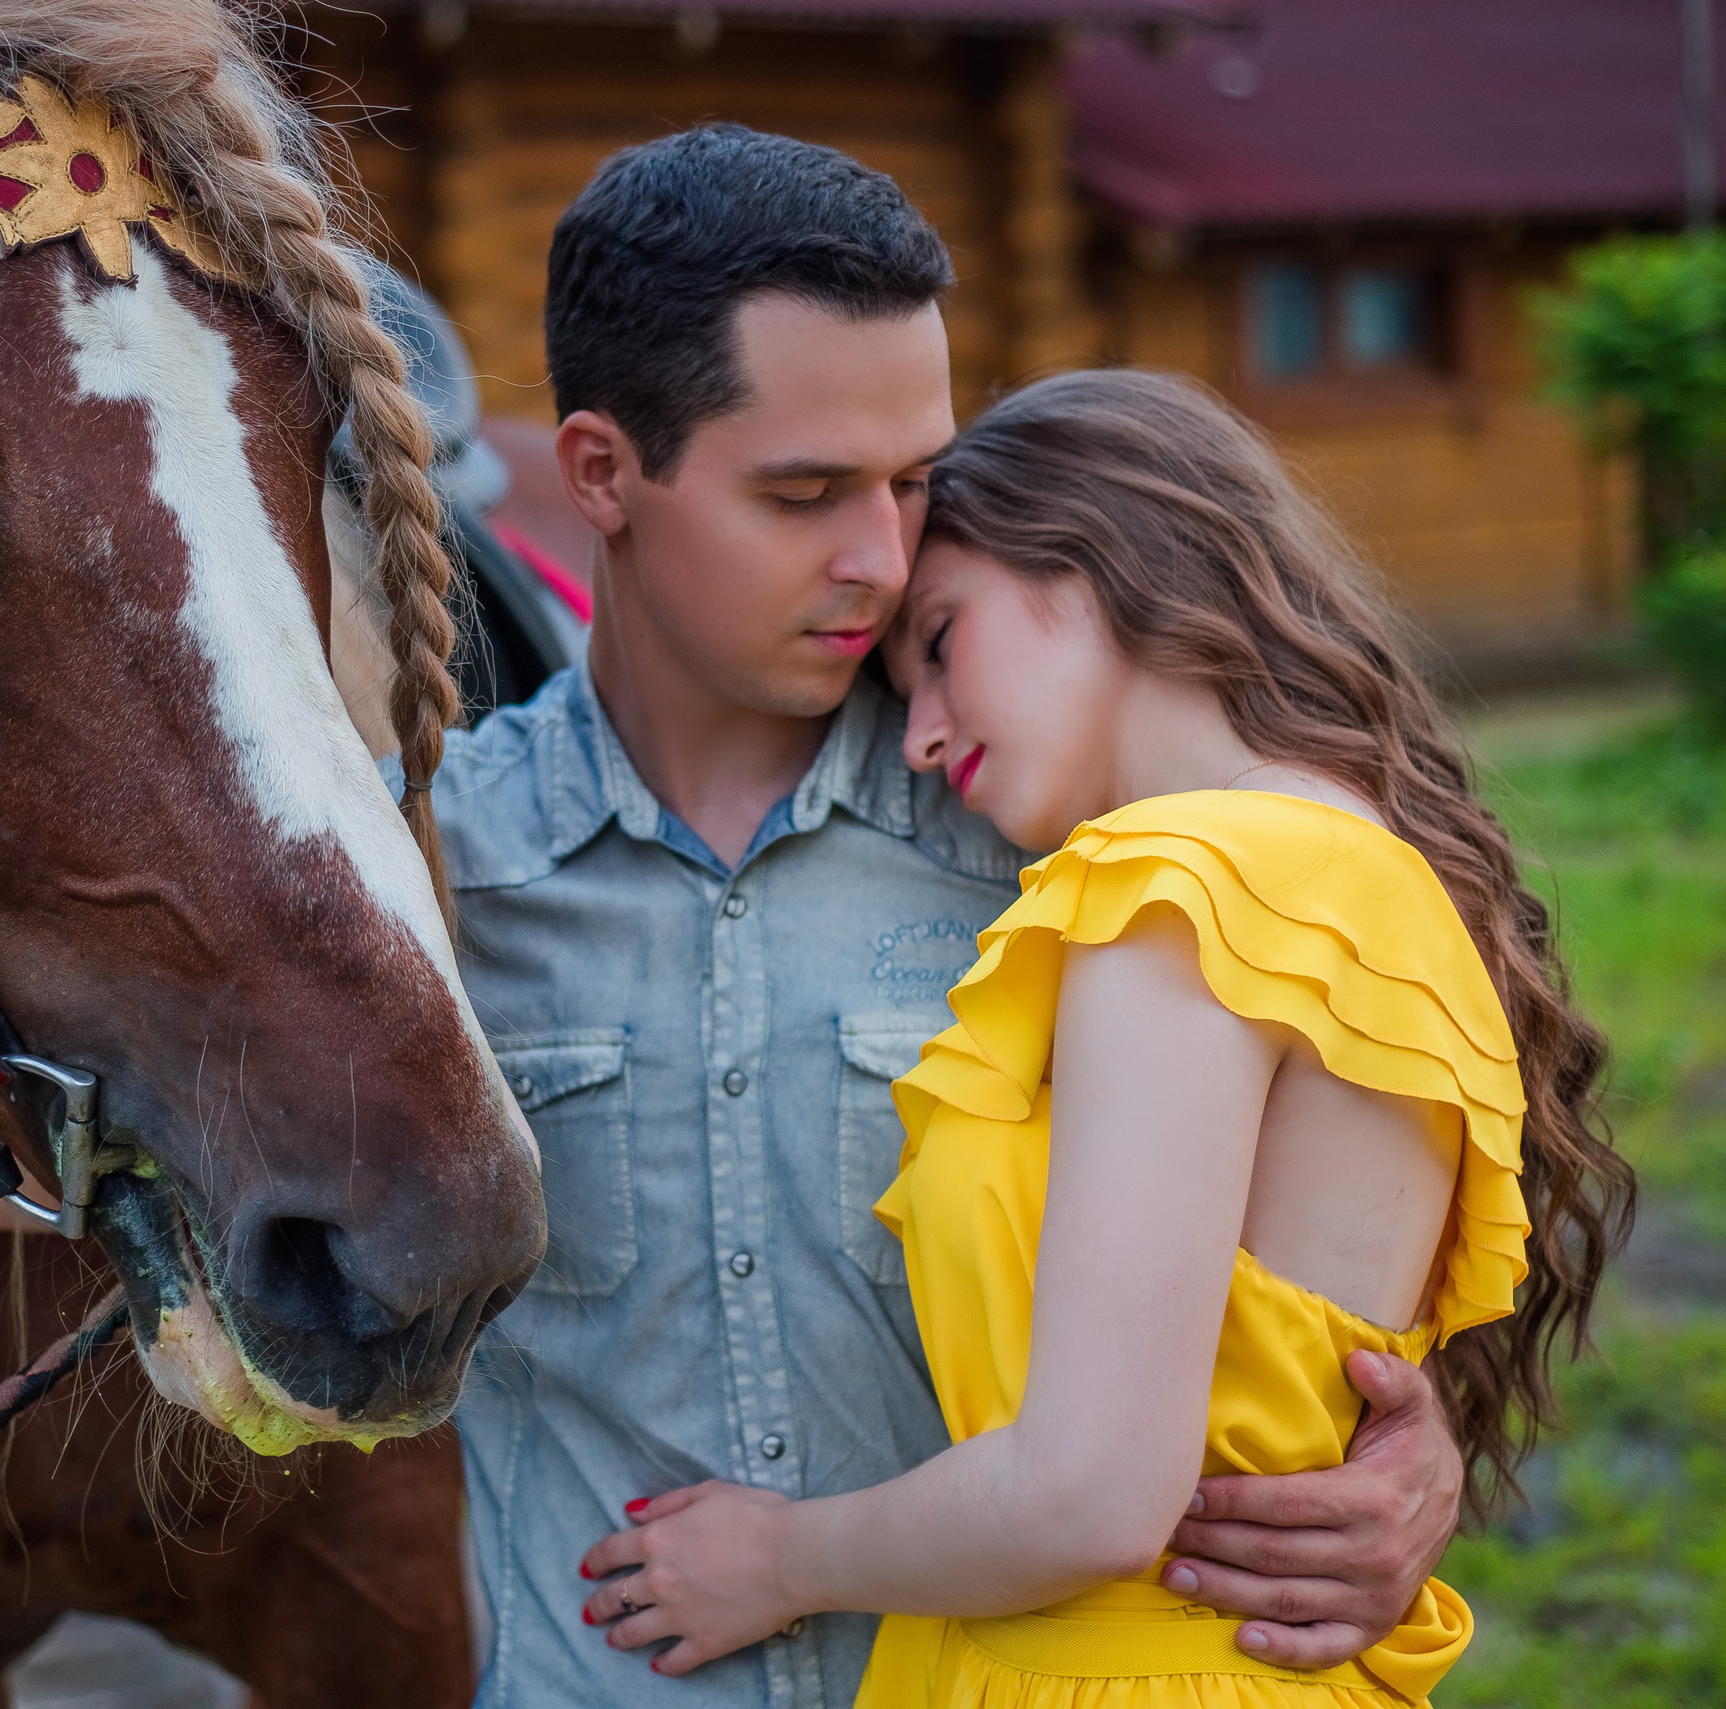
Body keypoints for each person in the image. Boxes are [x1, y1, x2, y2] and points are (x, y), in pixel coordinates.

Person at [410, 125, 1478, 1709]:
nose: (883, 558)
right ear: (600, 473)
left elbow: (1291, 1251)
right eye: (805, 492)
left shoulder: (1063, 845)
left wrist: (1403, 1444)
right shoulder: (419, 873)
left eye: (914, 483)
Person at [571, 370, 1636, 1703]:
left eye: (942, 644)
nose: (922, 737)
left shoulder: (1180, 887)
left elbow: (1086, 1497)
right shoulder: (1362, 873)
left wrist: (780, 1555)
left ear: (1098, 561)